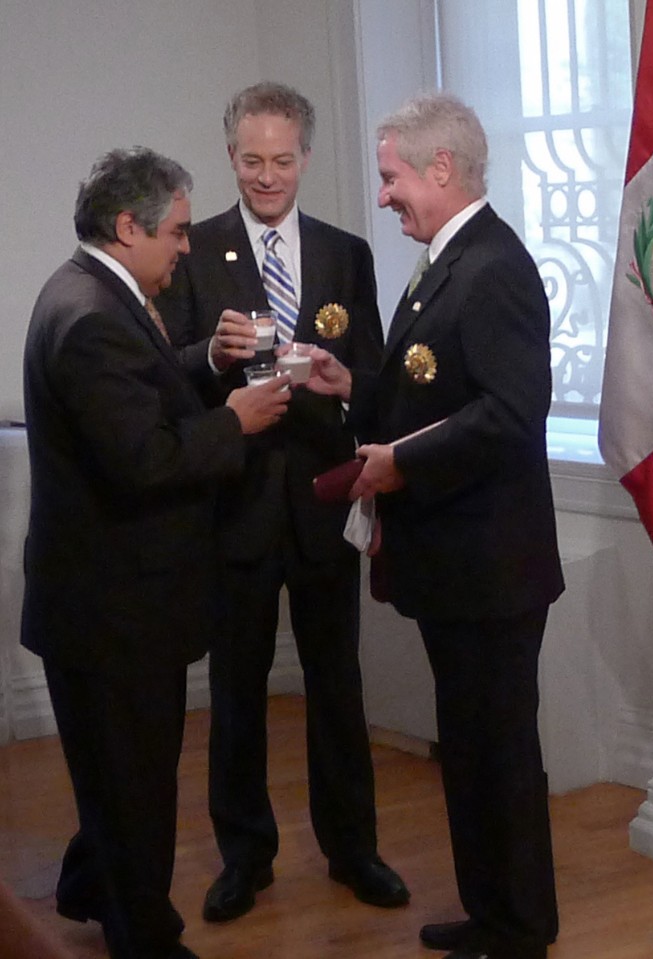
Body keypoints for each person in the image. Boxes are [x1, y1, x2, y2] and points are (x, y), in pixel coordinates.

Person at [305, 93, 565, 959]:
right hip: (455, 564)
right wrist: (355, 388)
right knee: (469, 748)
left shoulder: (492, 267)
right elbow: (431, 385)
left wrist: (400, 463)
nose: (383, 196)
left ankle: (521, 929)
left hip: (491, 565)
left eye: (391, 176)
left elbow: (511, 412)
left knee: (497, 755)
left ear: (440, 169)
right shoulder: (445, 259)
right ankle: (490, 913)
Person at [22, 146, 289, 959]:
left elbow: (143, 392)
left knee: (118, 775)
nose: (185, 247)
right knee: (134, 785)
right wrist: (234, 421)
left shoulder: (91, 290)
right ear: (128, 225)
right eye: (174, 232)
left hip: (107, 604)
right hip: (118, 608)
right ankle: (146, 936)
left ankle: (91, 884)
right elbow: (142, 459)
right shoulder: (96, 313)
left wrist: (205, 363)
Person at [157, 82, 409, 922]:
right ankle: (244, 856)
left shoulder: (346, 253)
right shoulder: (195, 251)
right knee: (236, 693)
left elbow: (370, 378)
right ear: (231, 157)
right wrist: (209, 354)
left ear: (306, 156)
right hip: (233, 505)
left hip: (323, 501)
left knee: (339, 685)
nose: (267, 176)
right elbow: (166, 382)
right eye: (251, 160)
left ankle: (353, 848)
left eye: (282, 159)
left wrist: (348, 385)